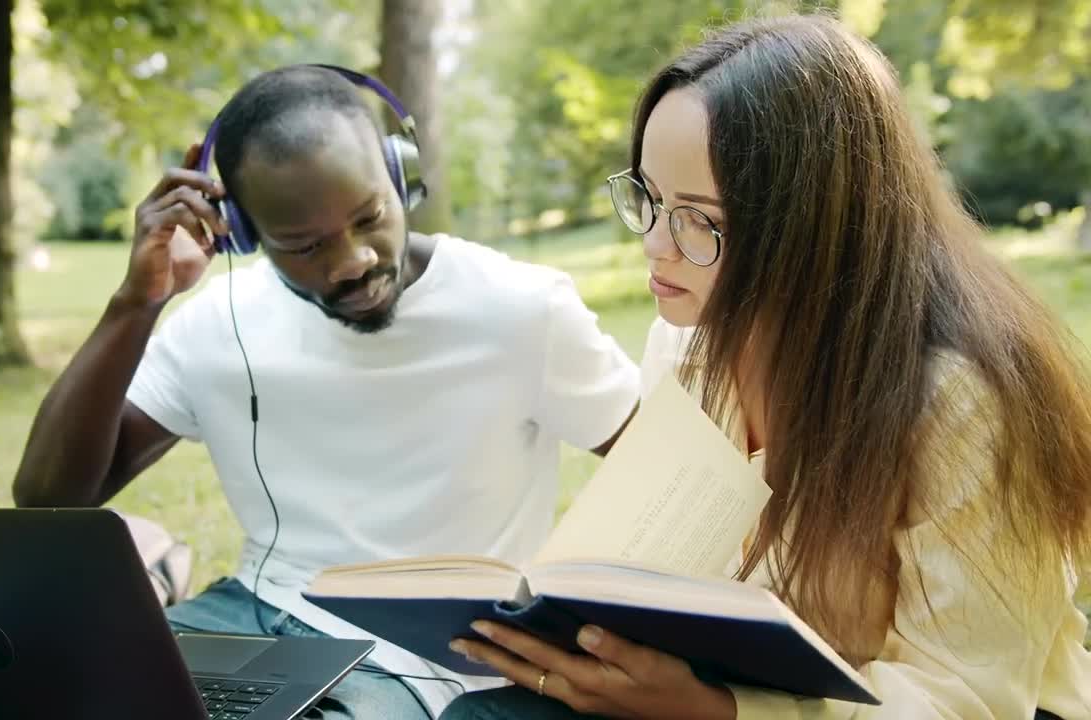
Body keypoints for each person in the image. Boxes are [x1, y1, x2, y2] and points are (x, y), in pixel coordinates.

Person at [440, 14, 1091, 720]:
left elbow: (968, 700)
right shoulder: (688, 349)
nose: (656, 245)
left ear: (815, 225)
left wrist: (716, 710)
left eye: (699, 219)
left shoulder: (963, 400)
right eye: (651, 200)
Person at [11, 65, 641, 719]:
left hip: (429, 656)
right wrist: (136, 304)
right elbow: (50, 495)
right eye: (302, 244)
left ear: (402, 175)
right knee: (35, 686)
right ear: (241, 230)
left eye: (370, 217)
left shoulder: (522, 310)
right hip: (256, 613)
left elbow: (666, 476)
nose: (351, 260)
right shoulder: (214, 322)